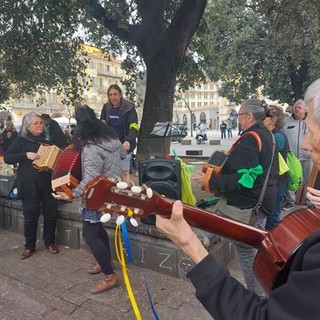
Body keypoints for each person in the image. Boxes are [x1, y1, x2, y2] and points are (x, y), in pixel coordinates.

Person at [193, 99, 278, 298]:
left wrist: (210, 181)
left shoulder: (250, 138)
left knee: (248, 255)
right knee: (256, 254)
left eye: (239, 115)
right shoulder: (268, 135)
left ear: (249, 116)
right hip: (263, 202)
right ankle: (263, 294)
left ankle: (258, 301)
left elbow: (243, 179)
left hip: (248, 208)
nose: (237, 119)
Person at [53, 105, 127, 294]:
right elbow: (124, 154)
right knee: (97, 229)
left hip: (96, 196)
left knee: (89, 234)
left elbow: (90, 181)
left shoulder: (91, 148)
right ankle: (106, 262)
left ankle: (110, 276)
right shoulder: (111, 138)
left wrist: (70, 194)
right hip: (111, 192)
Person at [4, 112, 60, 259]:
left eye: (41, 123)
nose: (40, 125)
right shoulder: (20, 141)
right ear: (28, 126)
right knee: (30, 217)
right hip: (29, 185)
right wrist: (25, 155)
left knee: (51, 214)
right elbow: (8, 158)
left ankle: (49, 242)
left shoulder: (47, 141)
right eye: (36, 123)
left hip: (48, 184)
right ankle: (29, 246)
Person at [100, 84, 139, 183]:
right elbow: (102, 125)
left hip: (124, 145)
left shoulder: (129, 108)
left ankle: (127, 196)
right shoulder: (106, 107)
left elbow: (134, 127)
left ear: (120, 94)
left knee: (124, 173)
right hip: (109, 146)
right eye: (110, 95)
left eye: (115, 94)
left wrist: (128, 141)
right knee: (109, 174)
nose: (113, 97)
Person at [282, 99, 312, 210]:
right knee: (291, 180)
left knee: (310, 180)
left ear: (305, 110)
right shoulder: (286, 122)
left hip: (309, 157)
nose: (296, 109)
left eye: (299, 107)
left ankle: (310, 202)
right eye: (295, 107)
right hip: (292, 158)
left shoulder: (312, 122)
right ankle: (290, 201)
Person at [264, 106, 289, 230]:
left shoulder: (277, 136)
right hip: (277, 181)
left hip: (278, 182)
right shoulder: (275, 134)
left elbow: (270, 155)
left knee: (273, 217)